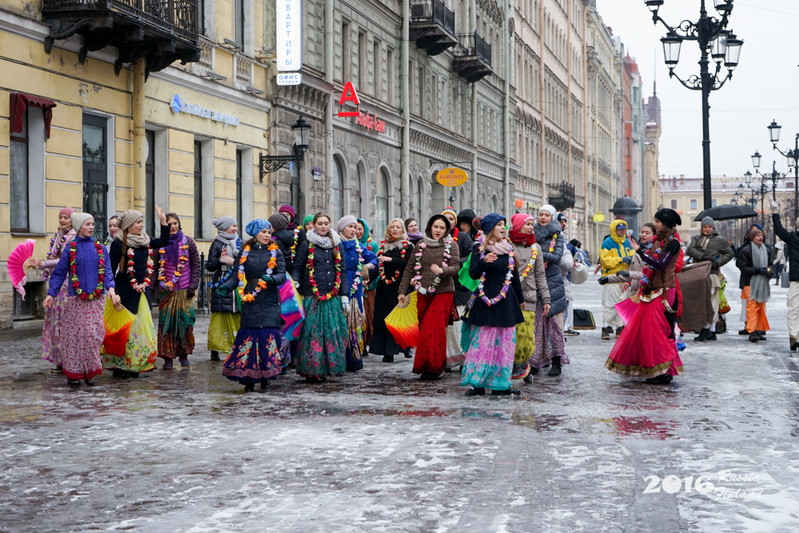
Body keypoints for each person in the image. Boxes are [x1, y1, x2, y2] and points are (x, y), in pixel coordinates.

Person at [605, 209, 684, 384]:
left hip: (665, 292)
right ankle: (654, 369)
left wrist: (640, 251)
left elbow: (660, 264)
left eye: (657, 221)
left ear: (665, 223)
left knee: (659, 332)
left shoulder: (674, 243)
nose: (654, 224)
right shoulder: (658, 241)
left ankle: (664, 371)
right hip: (652, 291)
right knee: (647, 330)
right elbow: (647, 269)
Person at [43, 212, 120, 387]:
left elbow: (107, 271)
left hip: (96, 298)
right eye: (87, 224)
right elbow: (59, 273)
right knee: (74, 336)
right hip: (75, 299)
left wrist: (111, 289)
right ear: (79, 227)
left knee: (93, 335)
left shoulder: (100, 248)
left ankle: (91, 370)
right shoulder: (70, 248)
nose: (91, 227)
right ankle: (74, 373)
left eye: (93, 224)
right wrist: (50, 294)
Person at [216, 219, 287, 392]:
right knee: (250, 336)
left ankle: (266, 376)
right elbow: (236, 275)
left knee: (267, 335)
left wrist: (273, 279)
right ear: (256, 234)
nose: (267, 235)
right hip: (251, 298)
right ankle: (248, 378)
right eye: (264, 232)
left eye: (269, 232)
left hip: (270, 298)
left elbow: (282, 275)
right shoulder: (245, 251)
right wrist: (226, 287)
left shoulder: (276, 252)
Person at [460, 213, 525, 396]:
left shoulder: (508, 248)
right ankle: (477, 383)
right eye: (499, 225)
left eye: (504, 225)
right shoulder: (479, 248)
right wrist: (484, 262)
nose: (503, 228)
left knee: (504, 343)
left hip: (506, 302)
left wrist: (520, 300)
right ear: (490, 229)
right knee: (482, 342)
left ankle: (501, 384)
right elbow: (473, 273)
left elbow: (515, 278)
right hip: (484, 301)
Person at [105, 207, 170, 377]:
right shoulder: (119, 243)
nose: (141, 225)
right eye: (138, 222)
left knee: (141, 329)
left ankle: (137, 363)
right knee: (126, 328)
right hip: (124, 291)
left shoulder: (145, 240)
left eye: (142, 222)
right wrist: (113, 291)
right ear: (128, 226)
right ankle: (121, 366)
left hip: (141, 291)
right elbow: (110, 270)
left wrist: (163, 221)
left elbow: (164, 241)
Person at [398, 214, 460, 380]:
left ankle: (436, 367)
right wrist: (402, 291)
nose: (438, 230)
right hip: (423, 291)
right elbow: (410, 269)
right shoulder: (420, 244)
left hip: (444, 291)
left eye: (442, 227)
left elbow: (456, 267)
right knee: (424, 328)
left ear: (446, 230)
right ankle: (424, 366)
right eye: (436, 227)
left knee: (434, 328)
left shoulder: (451, 245)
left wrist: (442, 271)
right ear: (430, 227)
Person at [292, 213, 351, 381]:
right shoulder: (307, 244)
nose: (323, 226)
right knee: (313, 332)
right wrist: (295, 281)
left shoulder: (336, 244)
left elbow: (343, 271)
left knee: (333, 332)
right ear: (314, 225)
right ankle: (313, 370)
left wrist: (344, 295)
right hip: (313, 296)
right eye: (320, 223)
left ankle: (330, 367)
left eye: (326, 223)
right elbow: (297, 265)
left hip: (332, 295)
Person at [27, 206, 77, 368]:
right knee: (56, 322)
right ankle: (59, 358)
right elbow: (54, 256)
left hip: (67, 285)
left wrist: (42, 264)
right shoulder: (58, 235)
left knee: (65, 322)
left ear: (73, 220)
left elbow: (64, 260)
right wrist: (40, 265)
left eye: (66, 217)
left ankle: (69, 358)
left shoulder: (73, 237)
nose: (62, 220)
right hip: (56, 284)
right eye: (61, 217)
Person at [154, 212, 201, 369]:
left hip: (185, 291)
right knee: (166, 325)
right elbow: (154, 267)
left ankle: (183, 354)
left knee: (185, 323)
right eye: (169, 223)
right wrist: (153, 287)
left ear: (178, 224)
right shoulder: (160, 244)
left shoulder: (188, 242)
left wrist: (193, 286)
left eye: (175, 223)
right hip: (166, 291)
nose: (172, 226)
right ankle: (168, 357)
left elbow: (196, 265)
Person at [508, 213, 550, 383]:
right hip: (509, 298)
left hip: (530, 298)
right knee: (512, 336)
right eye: (527, 224)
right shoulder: (507, 245)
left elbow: (540, 275)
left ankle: (523, 366)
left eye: (532, 224)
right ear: (518, 226)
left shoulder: (536, 248)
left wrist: (546, 299)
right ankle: (511, 368)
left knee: (526, 338)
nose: (531, 227)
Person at [531, 205, 569, 376]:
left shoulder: (557, 235)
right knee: (536, 326)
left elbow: (556, 257)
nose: (543, 217)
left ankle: (556, 362)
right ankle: (535, 362)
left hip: (553, 284)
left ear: (552, 217)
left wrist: (537, 253)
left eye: (547, 215)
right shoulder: (530, 234)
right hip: (534, 284)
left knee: (554, 326)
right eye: (541, 214)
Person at [338, 215, 378, 371]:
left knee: (354, 323)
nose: (353, 230)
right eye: (350, 227)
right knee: (342, 323)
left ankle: (353, 358)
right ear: (342, 228)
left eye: (355, 227)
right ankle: (340, 358)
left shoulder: (358, 246)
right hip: (341, 287)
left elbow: (374, 259)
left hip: (355, 289)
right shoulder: (337, 244)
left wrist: (366, 267)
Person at [685, 216, 735, 342]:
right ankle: (707, 329)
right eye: (704, 227)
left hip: (712, 274)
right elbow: (690, 249)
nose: (707, 229)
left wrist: (717, 263)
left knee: (712, 303)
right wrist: (703, 257)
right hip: (699, 274)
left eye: (709, 227)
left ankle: (709, 329)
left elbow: (729, 253)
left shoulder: (719, 240)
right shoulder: (696, 238)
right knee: (701, 302)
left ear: (713, 228)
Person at [370, 219, 412, 362]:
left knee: (399, 319)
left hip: (400, 287)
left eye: (398, 227)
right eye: (392, 227)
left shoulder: (408, 246)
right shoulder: (384, 246)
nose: (395, 229)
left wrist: (390, 260)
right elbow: (378, 267)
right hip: (384, 287)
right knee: (385, 319)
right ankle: (387, 351)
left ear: (402, 231)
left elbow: (408, 264)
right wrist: (368, 279)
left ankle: (404, 348)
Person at [206, 216, 242, 362]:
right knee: (220, 314)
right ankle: (216, 348)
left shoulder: (239, 242)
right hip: (222, 281)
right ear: (224, 228)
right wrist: (220, 260)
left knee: (237, 313)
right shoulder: (217, 244)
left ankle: (237, 345)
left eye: (236, 225)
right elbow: (209, 266)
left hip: (238, 282)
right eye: (233, 226)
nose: (235, 228)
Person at [442, 207, 473, 367]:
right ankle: (448, 357)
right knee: (447, 328)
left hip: (460, 288)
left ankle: (463, 358)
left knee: (460, 325)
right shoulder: (437, 238)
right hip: (442, 286)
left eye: (451, 219)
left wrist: (455, 263)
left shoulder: (462, 238)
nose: (448, 222)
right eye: (444, 218)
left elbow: (471, 254)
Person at [736, 226, 773, 343]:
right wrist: (758, 270)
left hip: (762, 283)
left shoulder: (766, 250)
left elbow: (771, 264)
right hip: (750, 283)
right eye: (757, 235)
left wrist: (769, 272)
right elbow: (743, 268)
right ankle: (751, 331)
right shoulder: (746, 250)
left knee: (760, 308)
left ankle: (758, 330)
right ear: (752, 238)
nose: (760, 237)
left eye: (761, 235)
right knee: (752, 307)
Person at [771, 198, 799, 350]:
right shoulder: (793, 238)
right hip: (796, 280)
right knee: (793, 309)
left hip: (796, 278)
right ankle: (793, 338)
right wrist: (775, 212)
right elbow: (779, 230)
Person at [600, 219, 635, 340]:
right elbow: (605, 261)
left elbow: (633, 255)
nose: (621, 231)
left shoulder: (627, 242)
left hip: (625, 278)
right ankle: (605, 327)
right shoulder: (607, 243)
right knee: (609, 304)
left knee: (622, 303)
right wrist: (620, 260)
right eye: (619, 229)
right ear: (614, 230)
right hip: (612, 278)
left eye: (623, 229)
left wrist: (631, 259)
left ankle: (619, 328)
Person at [356, 218, 380, 355]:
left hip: (368, 287)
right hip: (354, 286)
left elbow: (376, 265)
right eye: (355, 228)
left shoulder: (373, 245)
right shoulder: (349, 244)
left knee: (368, 317)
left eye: (360, 229)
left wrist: (368, 281)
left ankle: (365, 344)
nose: (358, 232)